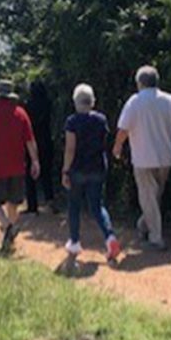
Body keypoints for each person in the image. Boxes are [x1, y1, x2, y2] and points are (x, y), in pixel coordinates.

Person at [112, 65, 171, 251]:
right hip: (165, 156)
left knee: (148, 198)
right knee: (155, 196)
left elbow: (123, 129)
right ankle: (144, 225)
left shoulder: (134, 102)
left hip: (143, 157)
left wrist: (117, 147)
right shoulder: (170, 101)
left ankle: (155, 238)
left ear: (140, 83)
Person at [0, 80, 40, 252]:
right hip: (17, 165)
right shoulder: (21, 113)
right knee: (14, 202)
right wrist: (35, 161)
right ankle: (10, 233)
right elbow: (30, 141)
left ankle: (7, 227)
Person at [62, 83, 121, 262]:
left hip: (78, 168)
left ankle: (75, 242)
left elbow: (70, 148)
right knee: (97, 206)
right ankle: (110, 237)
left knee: (74, 205)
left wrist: (65, 170)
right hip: (97, 167)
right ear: (92, 101)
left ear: (76, 101)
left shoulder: (72, 121)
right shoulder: (101, 119)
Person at [24, 81, 56, 214]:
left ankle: (32, 205)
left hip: (31, 141)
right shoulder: (48, 103)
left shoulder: (27, 105)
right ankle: (50, 201)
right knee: (46, 173)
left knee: (30, 174)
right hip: (46, 140)